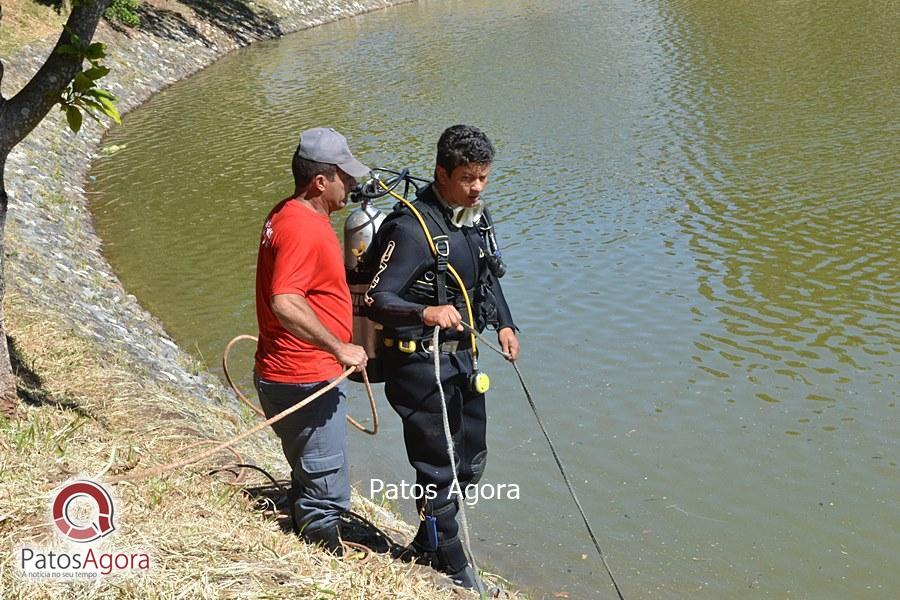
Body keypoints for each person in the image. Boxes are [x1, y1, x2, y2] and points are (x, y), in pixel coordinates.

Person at [366, 124, 520, 588]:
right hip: (416, 363)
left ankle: (427, 540)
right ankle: (452, 567)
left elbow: (487, 279)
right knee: (440, 465)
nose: (477, 189)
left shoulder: (474, 219)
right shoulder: (410, 230)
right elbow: (373, 299)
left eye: (484, 178)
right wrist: (426, 310)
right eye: (469, 178)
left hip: (462, 361)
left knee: (470, 460)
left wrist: (507, 323)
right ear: (441, 173)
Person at [254, 127, 369, 555]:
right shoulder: (307, 229)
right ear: (321, 181)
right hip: (304, 379)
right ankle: (323, 562)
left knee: (308, 469)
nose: (352, 185)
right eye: (346, 177)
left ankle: (303, 523)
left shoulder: (284, 212)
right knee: (326, 489)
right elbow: (285, 300)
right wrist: (339, 348)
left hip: (282, 371)